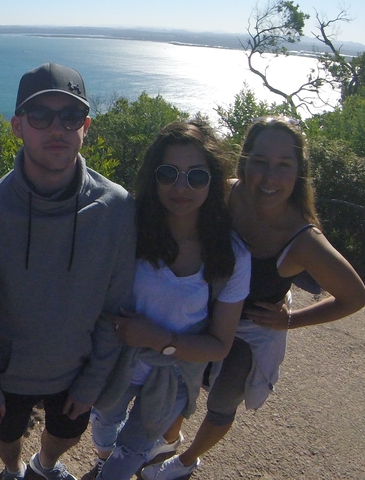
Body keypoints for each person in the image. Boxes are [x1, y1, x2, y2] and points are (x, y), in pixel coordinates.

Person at [142, 116, 365, 480]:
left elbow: (354, 296)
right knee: (183, 381)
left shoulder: (302, 239)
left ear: (299, 172)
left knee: (222, 401)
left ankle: (185, 461)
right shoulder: (227, 195)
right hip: (207, 312)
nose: (268, 177)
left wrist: (290, 320)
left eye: (283, 165)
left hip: (249, 333)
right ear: (243, 160)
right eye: (260, 161)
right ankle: (168, 439)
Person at [0, 63, 136, 480]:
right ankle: (13, 471)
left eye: (71, 116)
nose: (57, 129)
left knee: (65, 434)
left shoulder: (115, 208)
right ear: (17, 127)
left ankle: (43, 467)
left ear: (86, 127)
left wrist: (92, 382)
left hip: (76, 369)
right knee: (6, 435)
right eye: (40, 116)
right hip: (8, 373)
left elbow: (116, 307)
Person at [86, 121, 250, 480]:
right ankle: (102, 457)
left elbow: (220, 345)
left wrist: (160, 339)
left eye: (197, 176)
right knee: (104, 422)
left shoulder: (230, 256)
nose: (181, 187)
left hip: (174, 373)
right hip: (117, 363)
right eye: (168, 173)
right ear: (153, 176)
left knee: (131, 452)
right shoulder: (129, 230)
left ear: (214, 181)